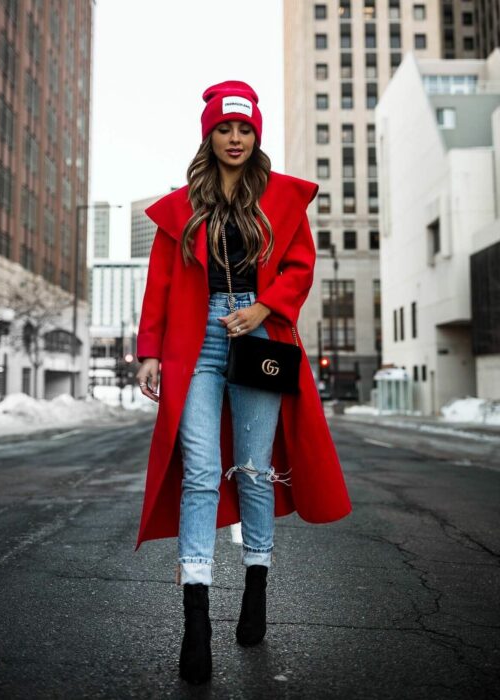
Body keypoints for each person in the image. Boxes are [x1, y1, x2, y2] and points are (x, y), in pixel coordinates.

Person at [135, 80, 352, 685]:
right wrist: (149, 350)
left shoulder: (280, 198)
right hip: (194, 341)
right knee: (201, 470)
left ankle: (255, 588)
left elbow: (300, 266)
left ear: (256, 135)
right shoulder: (181, 207)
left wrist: (264, 308)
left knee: (254, 466)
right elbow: (159, 283)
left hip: (258, 336)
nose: (235, 138)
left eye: (245, 129)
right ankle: (195, 623)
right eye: (225, 129)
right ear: (210, 134)